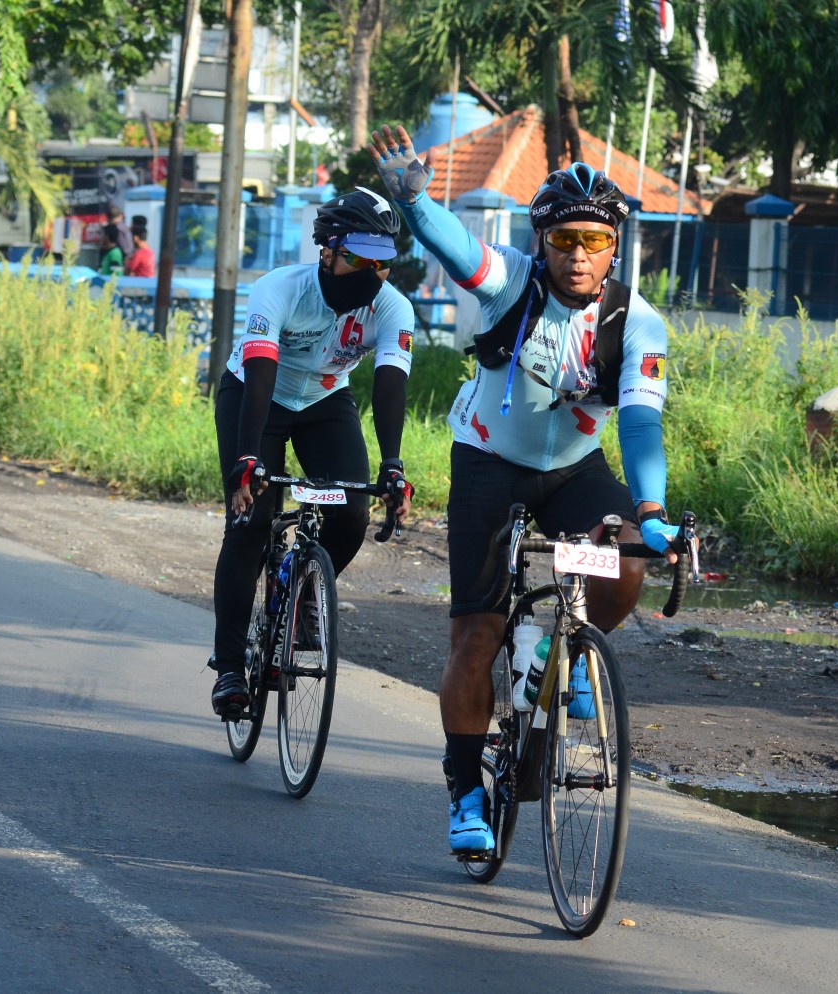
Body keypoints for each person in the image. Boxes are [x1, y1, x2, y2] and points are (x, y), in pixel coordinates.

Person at [369, 124, 683, 853]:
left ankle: (559, 657)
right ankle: (465, 790)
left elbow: (640, 425)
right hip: (488, 463)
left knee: (624, 561)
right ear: (542, 241)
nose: (578, 254)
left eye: (594, 240)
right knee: (477, 634)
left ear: (614, 247)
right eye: (565, 239)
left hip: (575, 470)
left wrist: (650, 509)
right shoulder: (511, 280)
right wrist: (414, 202)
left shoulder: (637, 322)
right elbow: (457, 248)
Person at [208, 186, 417, 718]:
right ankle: (230, 667)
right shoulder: (279, 288)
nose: (372, 273)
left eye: (383, 262)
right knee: (251, 523)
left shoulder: (393, 307)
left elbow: (390, 383)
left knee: (351, 514)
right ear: (327, 251)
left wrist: (393, 465)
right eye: (359, 259)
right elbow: (260, 370)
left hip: (325, 400)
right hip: (256, 393)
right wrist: (247, 459)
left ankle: (303, 594)